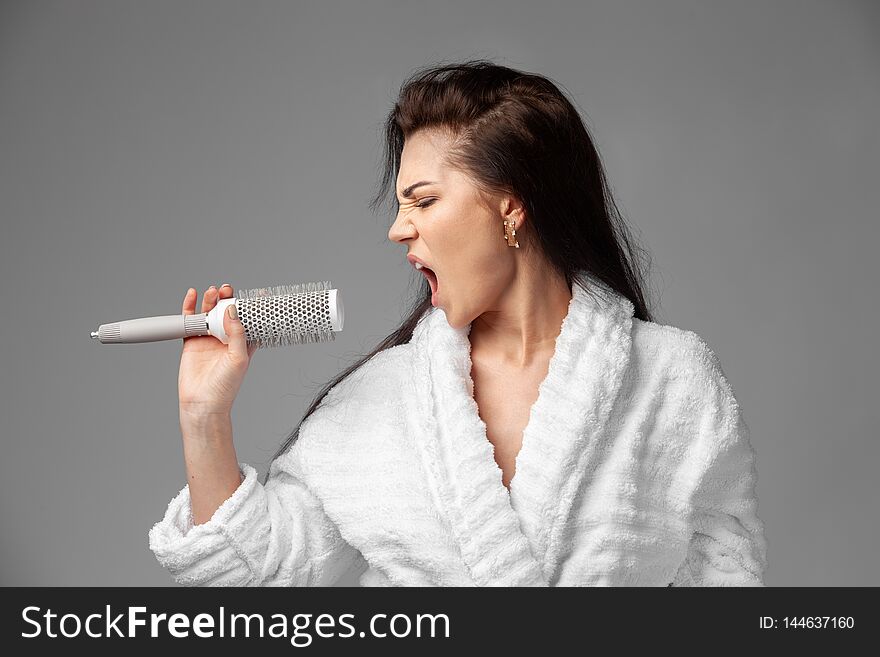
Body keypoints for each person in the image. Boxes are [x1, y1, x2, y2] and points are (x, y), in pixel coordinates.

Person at [149, 60, 768, 586]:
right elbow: (251, 570)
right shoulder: (381, 399)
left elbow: (726, 581)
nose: (398, 229)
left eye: (423, 199)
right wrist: (203, 416)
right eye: (400, 206)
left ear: (511, 206)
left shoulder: (670, 377)